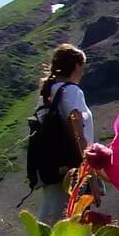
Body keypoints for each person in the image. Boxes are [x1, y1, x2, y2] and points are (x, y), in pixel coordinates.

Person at [34, 44, 94, 224]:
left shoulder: (46, 94)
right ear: (76, 66)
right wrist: (90, 167)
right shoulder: (71, 91)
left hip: (50, 166)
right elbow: (77, 129)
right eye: (82, 67)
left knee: (50, 214)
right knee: (71, 217)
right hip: (72, 167)